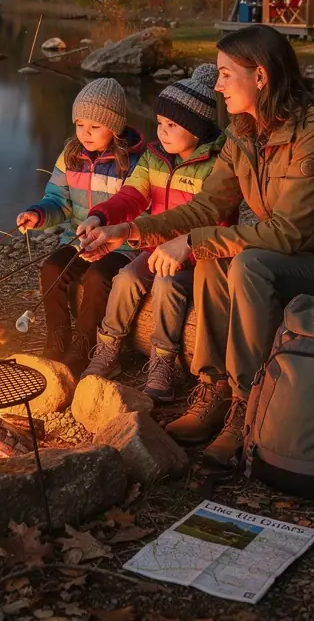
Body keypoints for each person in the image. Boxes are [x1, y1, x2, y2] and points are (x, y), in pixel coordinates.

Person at [77, 25, 314, 466]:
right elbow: (206, 206)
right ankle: (215, 389)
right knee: (217, 258)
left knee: (250, 264)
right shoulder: (245, 134)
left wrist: (191, 242)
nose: (216, 85)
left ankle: (249, 405)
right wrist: (131, 230)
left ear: (261, 76)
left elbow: (286, 233)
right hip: (308, 259)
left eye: (224, 74)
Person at [75, 65, 227, 402]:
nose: (163, 132)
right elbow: (131, 196)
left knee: (167, 284)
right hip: (155, 247)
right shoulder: (154, 157)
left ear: (197, 128)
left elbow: (220, 219)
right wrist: (100, 216)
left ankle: (163, 362)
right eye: (160, 123)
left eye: (172, 125)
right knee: (127, 277)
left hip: (197, 254)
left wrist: (186, 247)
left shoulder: (217, 164)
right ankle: (108, 348)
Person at [16, 77, 145, 377]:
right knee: (51, 268)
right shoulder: (71, 156)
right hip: (78, 241)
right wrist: (37, 214)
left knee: (98, 278)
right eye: (80, 124)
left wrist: (116, 236)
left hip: (120, 246)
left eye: (94, 126)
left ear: (114, 126)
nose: (85, 133)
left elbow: (140, 209)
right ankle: (58, 336)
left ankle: (84, 343)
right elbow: (58, 201)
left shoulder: (134, 163)